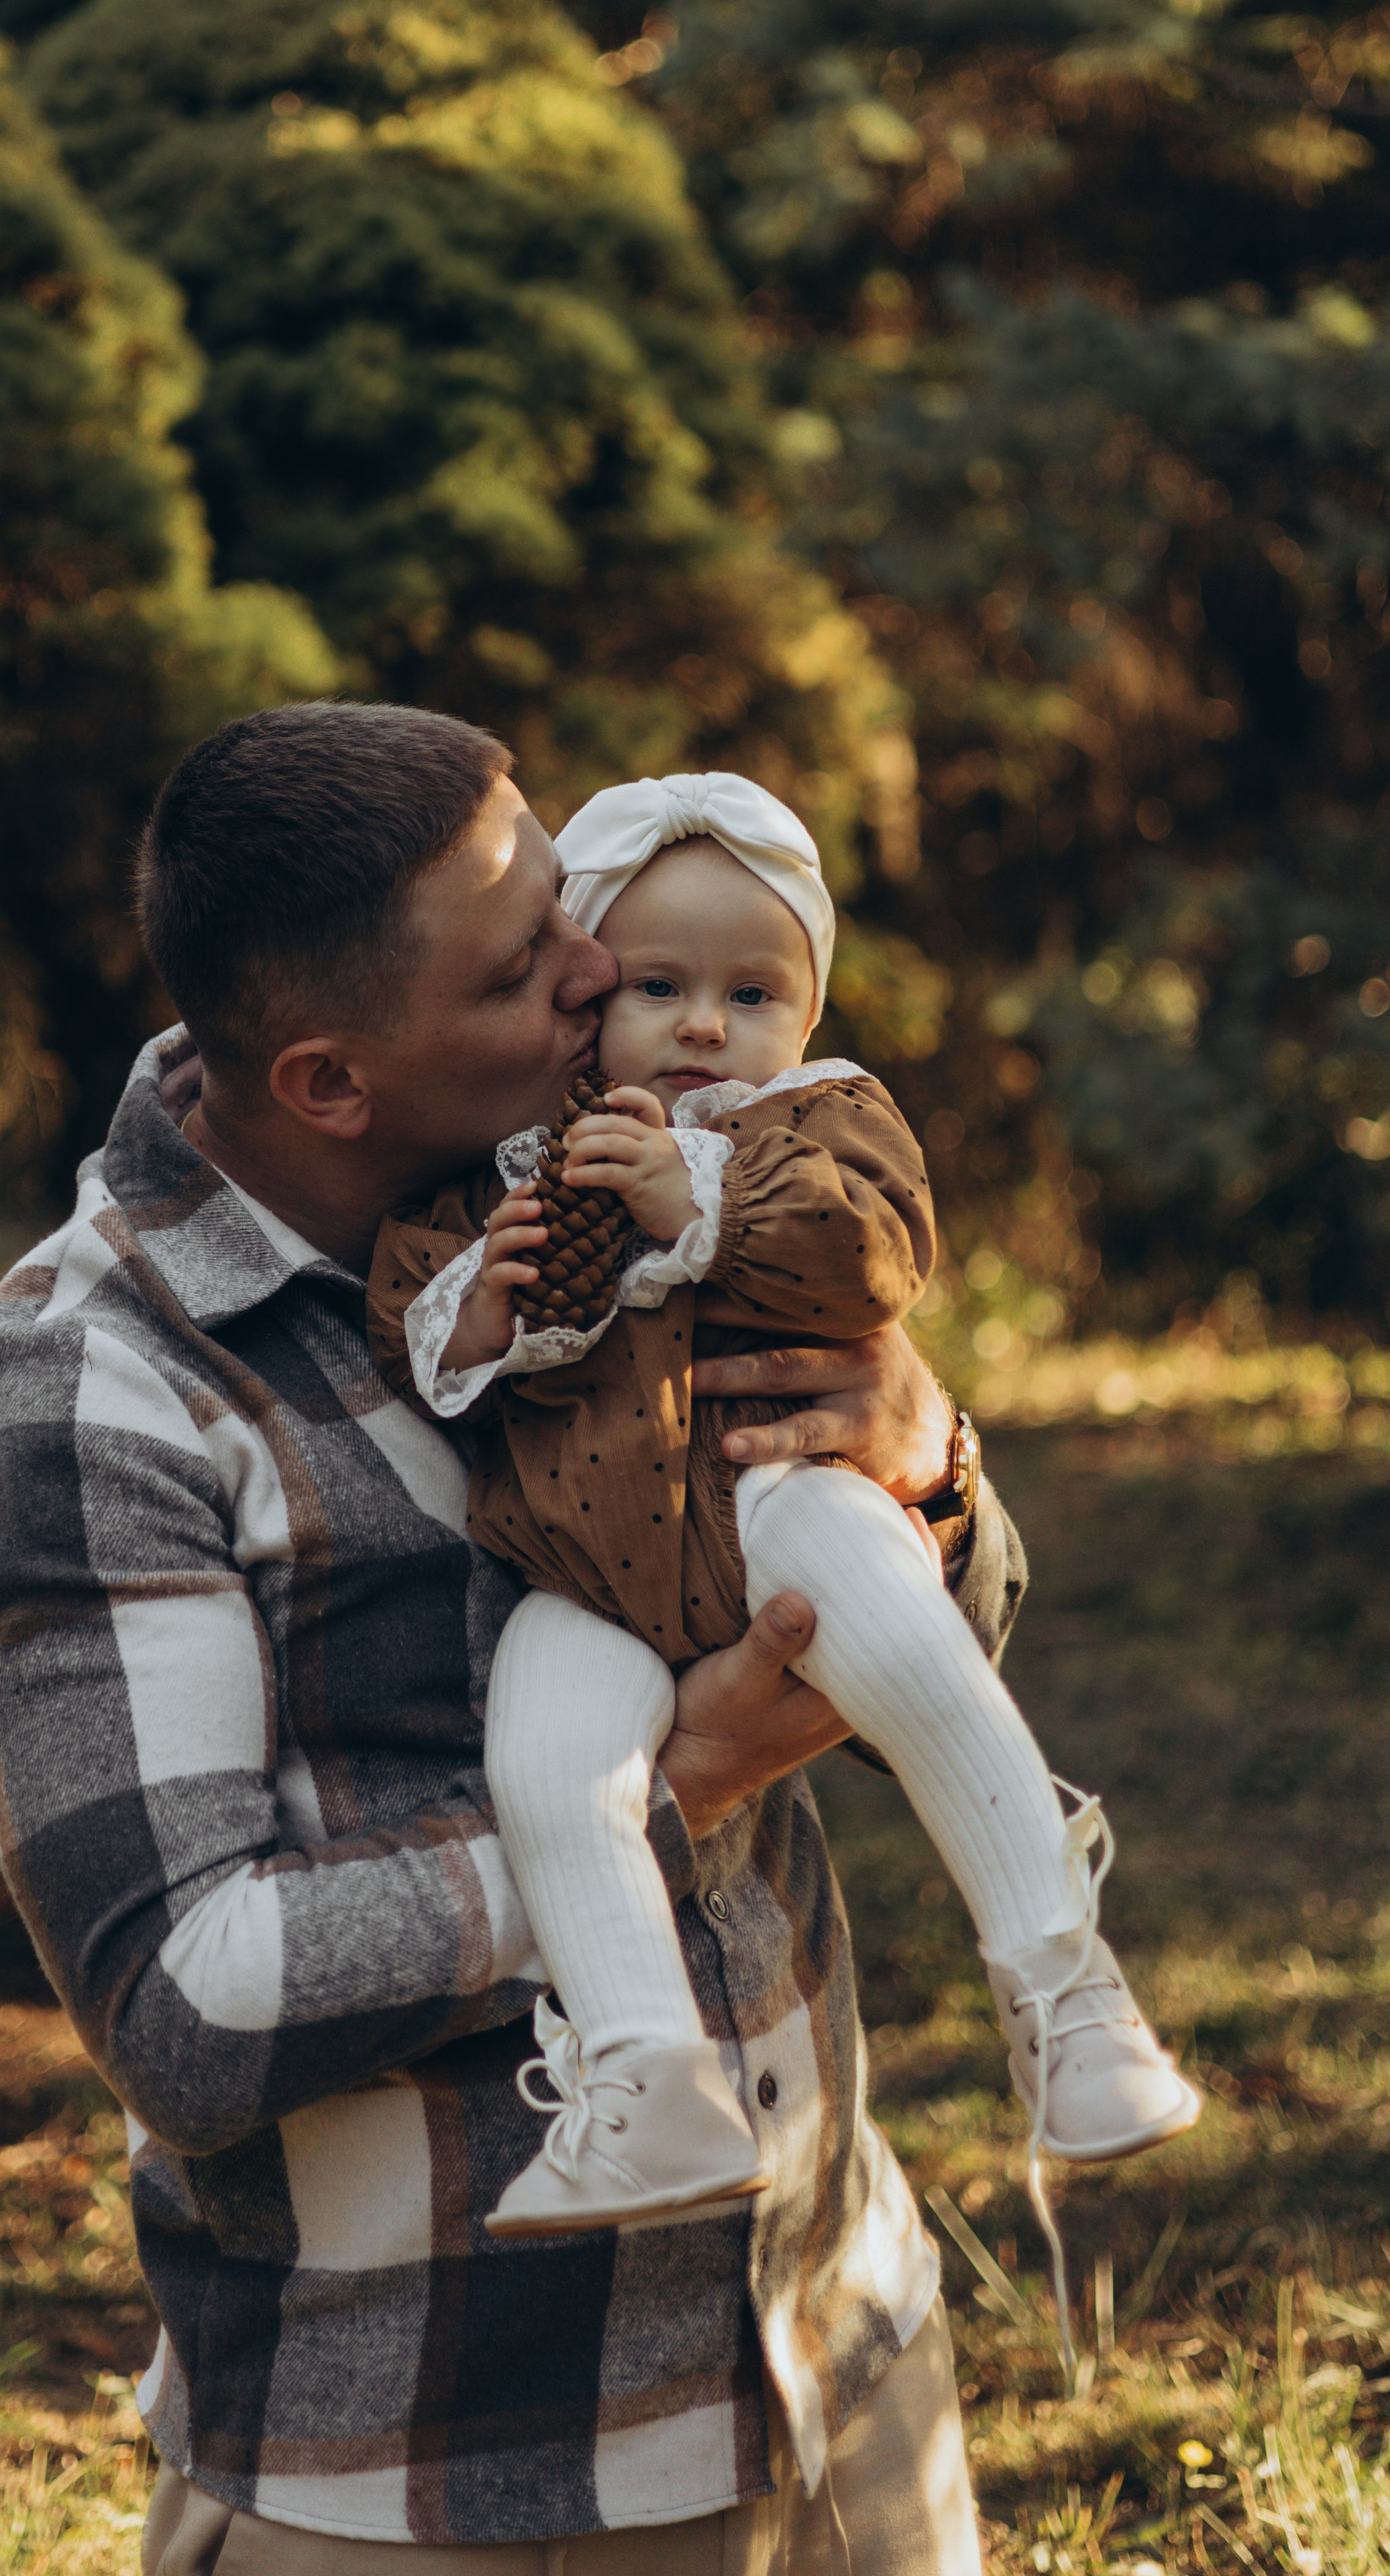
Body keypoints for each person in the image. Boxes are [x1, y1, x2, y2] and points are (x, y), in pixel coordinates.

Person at [0, 702, 1030, 2576]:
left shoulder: (647, 1199)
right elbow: (193, 2001)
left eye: (559, 896)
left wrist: (928, 1456)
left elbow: (963, 1627)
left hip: (833, 2367)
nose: (605, 966)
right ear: (335, 1080)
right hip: (432, 2475)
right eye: (529, 964)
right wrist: (672, 1789)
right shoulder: (85, 1400)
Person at [367, 773, 1200, 2241]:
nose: (703, 1024)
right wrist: (486, 1299)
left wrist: (698, 1200)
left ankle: (1064, 1986)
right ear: (585, 995)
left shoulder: (817, 1122)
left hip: (780, 1498)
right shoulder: (518, 1164)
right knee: (550, 1770)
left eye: (751, 990)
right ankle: (644, 2080)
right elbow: (413, 1325)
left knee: (894, 1621)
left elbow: (870, 1260)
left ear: (806, 1007)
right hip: (586, 1581)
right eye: (657, 985)